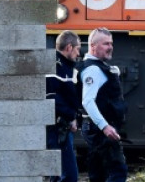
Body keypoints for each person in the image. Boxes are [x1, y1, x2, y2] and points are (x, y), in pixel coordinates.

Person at [78, 27, 128, 182]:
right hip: (99, 130)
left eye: (111, 43)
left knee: (98, 173)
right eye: (106, 44)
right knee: (118, 172)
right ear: (93, 46)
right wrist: (105, 127)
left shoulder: (95, 67)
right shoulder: (93, 69)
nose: (110, 47)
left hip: (94, 128)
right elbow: (87, 101)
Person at [46, 31, 82, 182]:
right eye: (77, 49)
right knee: (68, 176)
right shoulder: (54, 66)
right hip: (56, 127)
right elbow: (52, 97)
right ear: (69, 47)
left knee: (58, 174)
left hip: (63, 126)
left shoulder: (66, 66)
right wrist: (71, 116)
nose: (78, 53)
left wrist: (75, 116)